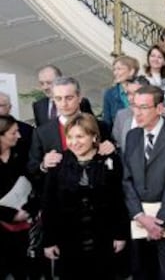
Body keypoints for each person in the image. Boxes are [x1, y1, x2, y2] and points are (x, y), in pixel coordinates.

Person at [42, 113, 129, 279]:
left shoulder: (109, 160)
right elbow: (49, 205)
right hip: (69, 242)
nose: (74, 142)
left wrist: (120, 234)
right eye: (70, 137)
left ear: (94, 136)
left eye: (80, 136)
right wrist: (49, 241)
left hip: (103, 240)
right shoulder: (58, 162)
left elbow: (118, 200)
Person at [123, 85, 165, 280]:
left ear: (160, 108)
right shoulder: (132, 136)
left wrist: (160, 222)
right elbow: (127, 180)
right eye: (134, 106)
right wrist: (139, 216)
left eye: (144, 107)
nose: (137, 112)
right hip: (139, 221)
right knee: (140, 272)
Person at [0, 115, 37, 280]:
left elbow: (36, 183)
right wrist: (11, 215)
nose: (19, 136)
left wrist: (28, 210)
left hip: (26, 226)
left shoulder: (22, 152)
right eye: (14, 133)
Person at [112, 76, 149, 153]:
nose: (130, 98)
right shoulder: (121, 115)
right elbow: (117, 143)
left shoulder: (163, 116)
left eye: (135, 93)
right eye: (128, 94)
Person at [103, 55, 140, 129]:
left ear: (131, 71)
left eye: (119, 69)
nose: (115, 73)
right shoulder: (109, 94)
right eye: (114, 69)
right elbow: (107, 122)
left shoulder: (144, 89)